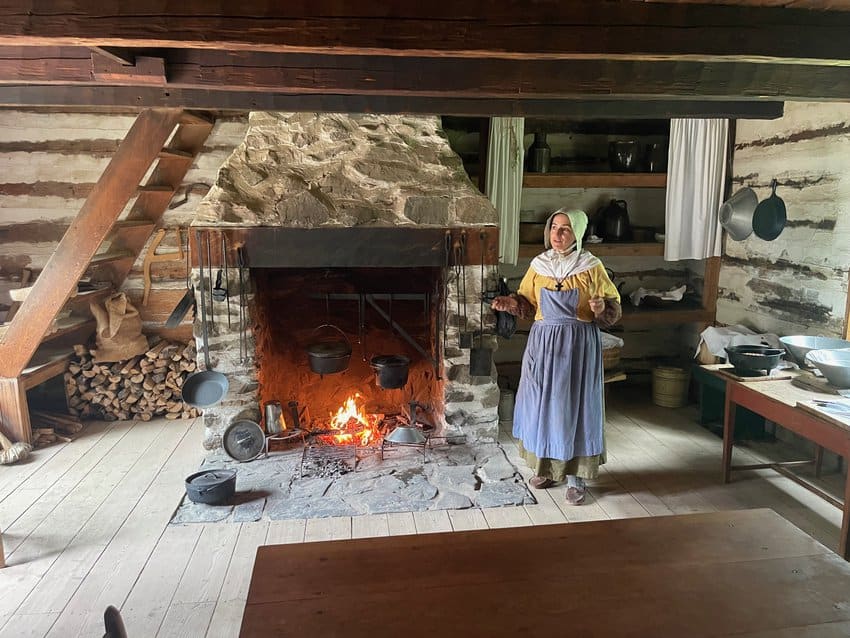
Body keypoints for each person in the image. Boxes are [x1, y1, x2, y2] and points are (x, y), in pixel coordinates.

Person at [492, 208, 621, 504]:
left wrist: (602, 309)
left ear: (577, 233)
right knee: (541, 405)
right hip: (543, 344)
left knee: (571, 407)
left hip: (576, 346)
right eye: (554, 228)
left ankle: (575, 477)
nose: (558, 234)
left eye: (565, 229)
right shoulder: (539, 265)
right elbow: (527, 302)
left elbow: (612, 306)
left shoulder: (591, 266)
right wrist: (510, 303)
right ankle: (547, 468)